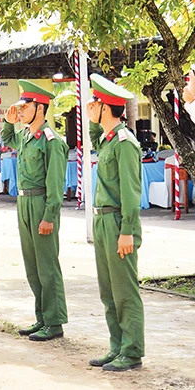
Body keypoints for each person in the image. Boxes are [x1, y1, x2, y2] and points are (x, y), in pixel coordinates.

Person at [86, 74, 144, 372]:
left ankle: (132, 350)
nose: (88, 107)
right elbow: (96, 135)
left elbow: (131, 193)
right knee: (108, 291)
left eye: (93, 103)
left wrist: (128, 231)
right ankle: (116, 346)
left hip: (119, 222)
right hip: (103, 220)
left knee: (124, 290)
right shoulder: (108, 140)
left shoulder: (124, 143)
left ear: (105, 107)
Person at [3, 80, 68, 341]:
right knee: (32, 266)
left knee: (47, 266)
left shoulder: (51, 141)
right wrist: (9, 121)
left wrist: (49, 215)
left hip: (42, 203)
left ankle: (54, 322)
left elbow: (55, 183)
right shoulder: (27, 136)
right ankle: (41, 317)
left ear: (40, 108)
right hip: (24, 203)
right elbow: (8, 138)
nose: (20, 111)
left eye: (24, 106)